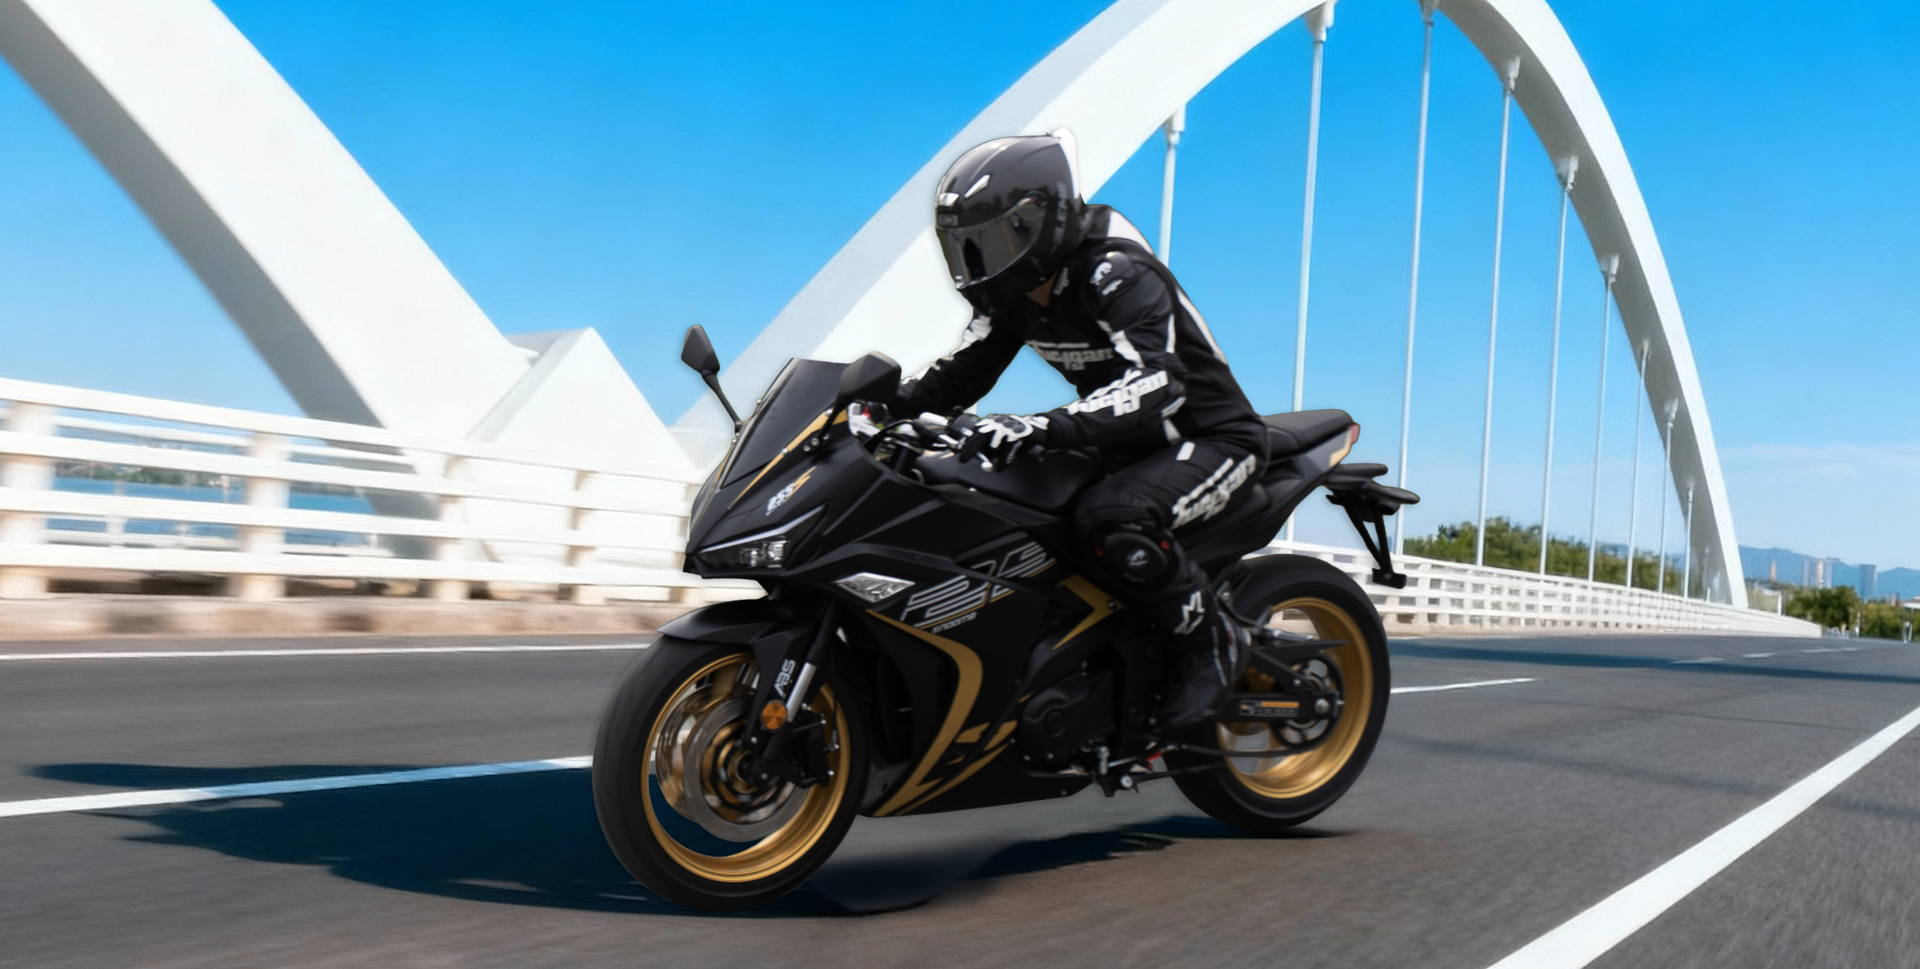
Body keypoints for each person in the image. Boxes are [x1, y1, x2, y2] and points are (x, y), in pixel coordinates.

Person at [895, 131, 1269, 730]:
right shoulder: (1012, 294)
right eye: (966, 246)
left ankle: (1210, 640)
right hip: (1120, 445)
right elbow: (962, 374)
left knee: (1111, 517)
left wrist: (1042, 426)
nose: (978, 261)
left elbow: (1157, 383)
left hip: (1209, 437)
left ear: (1041, 220)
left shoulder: (1115, 272)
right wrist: (875, 403)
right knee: (998, 500)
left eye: (991, 240)